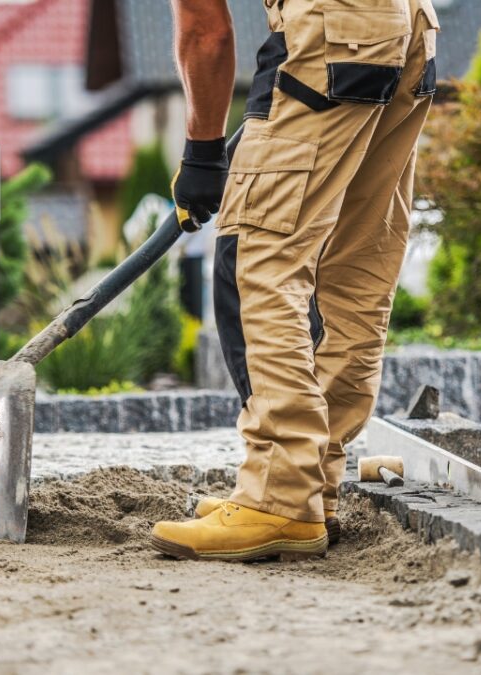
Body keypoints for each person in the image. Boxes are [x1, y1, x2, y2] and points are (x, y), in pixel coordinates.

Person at [153, 0, 440, 562]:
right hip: (410, 29)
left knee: (258, 257)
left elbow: (205, 30)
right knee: (351, 270)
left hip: (334, 35)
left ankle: (278, 494)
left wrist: (203, 151)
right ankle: (313, 487)